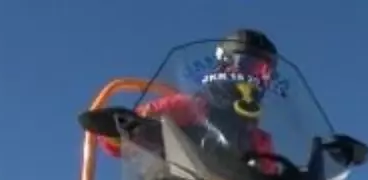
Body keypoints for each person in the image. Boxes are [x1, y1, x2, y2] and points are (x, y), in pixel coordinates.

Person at [99, 29, 279, 166]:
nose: (255, 77)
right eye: (249, 65)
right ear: (225, 63)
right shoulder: (190, 106)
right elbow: (139, 120)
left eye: (264, 72)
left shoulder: (258, 138)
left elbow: (269, 177)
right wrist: (120, 131)